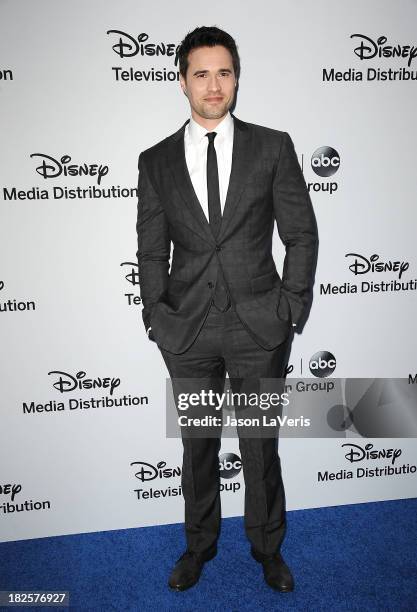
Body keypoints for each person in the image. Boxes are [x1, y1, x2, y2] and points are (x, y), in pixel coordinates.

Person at [136, 26, 318, 592]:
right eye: (201, 73)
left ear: (236, 77)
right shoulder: (156, 160)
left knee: (260, 446)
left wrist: (290, 307)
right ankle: (198, 546)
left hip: (259, 326)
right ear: (182, 81)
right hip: (185, 329)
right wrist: (155, 315)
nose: (213, 85)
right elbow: (150, 246)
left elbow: (301, 235)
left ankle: (268, 549)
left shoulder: (273, 146)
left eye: (224, 72)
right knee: (197, 445)